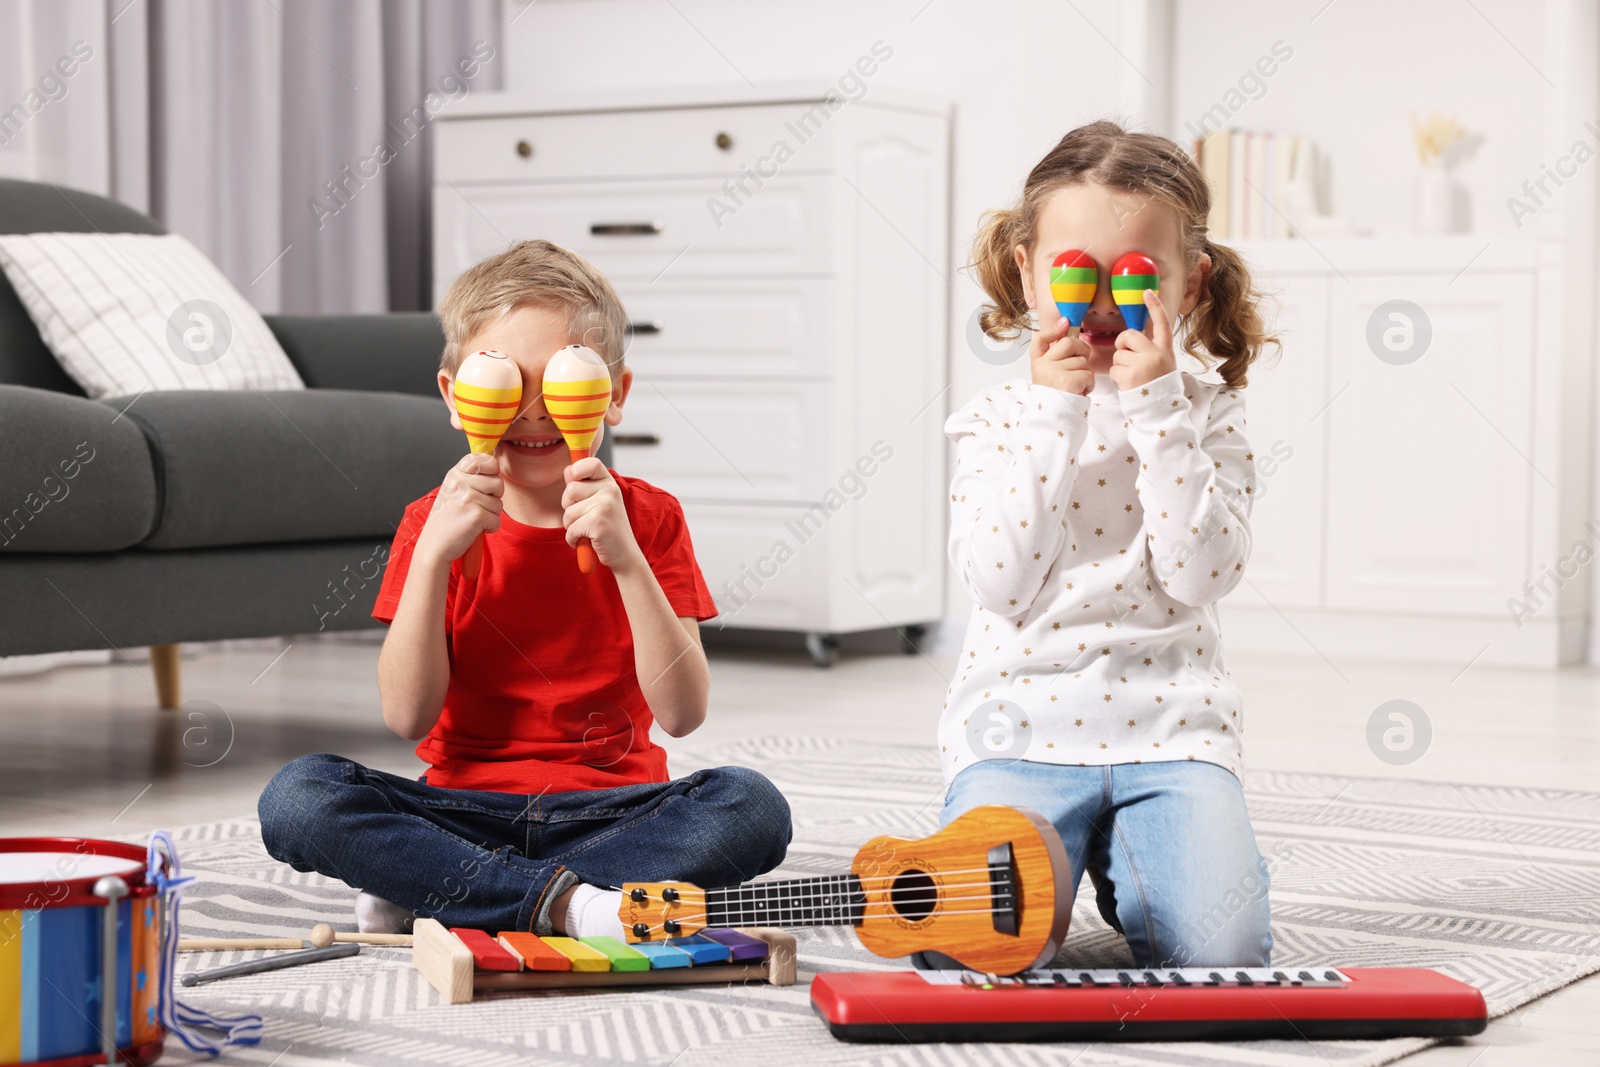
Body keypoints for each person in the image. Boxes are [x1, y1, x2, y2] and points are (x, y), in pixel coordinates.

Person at [259, 239, 792, 938]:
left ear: (616, 395)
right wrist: (431, 558)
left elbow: (684, 713)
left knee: (753, 807)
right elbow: (407, 715)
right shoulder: (430, 520)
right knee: (297, 797)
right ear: (454, 397)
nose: (534, 412)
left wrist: (626, 558)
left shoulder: (650, 517)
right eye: (505, 383)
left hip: (615, 811)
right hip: (460, 810)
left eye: (561, 384)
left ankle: (448, 885)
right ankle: (572, 906)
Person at [935, 120, 1281, 969]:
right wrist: (1055, 414)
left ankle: (1155, 851)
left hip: (1171, 730)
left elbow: (1202, 575)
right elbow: (1000, 583)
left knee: (1222, 952)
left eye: (1133, 278)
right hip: (1017, 731)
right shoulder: (995, 420)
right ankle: (1087, 852)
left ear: (1189, 283)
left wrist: (1158, 408)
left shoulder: (1206, 414)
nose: (1096, 308)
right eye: (1072, 274)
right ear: (1025, 271)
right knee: (969, 952)